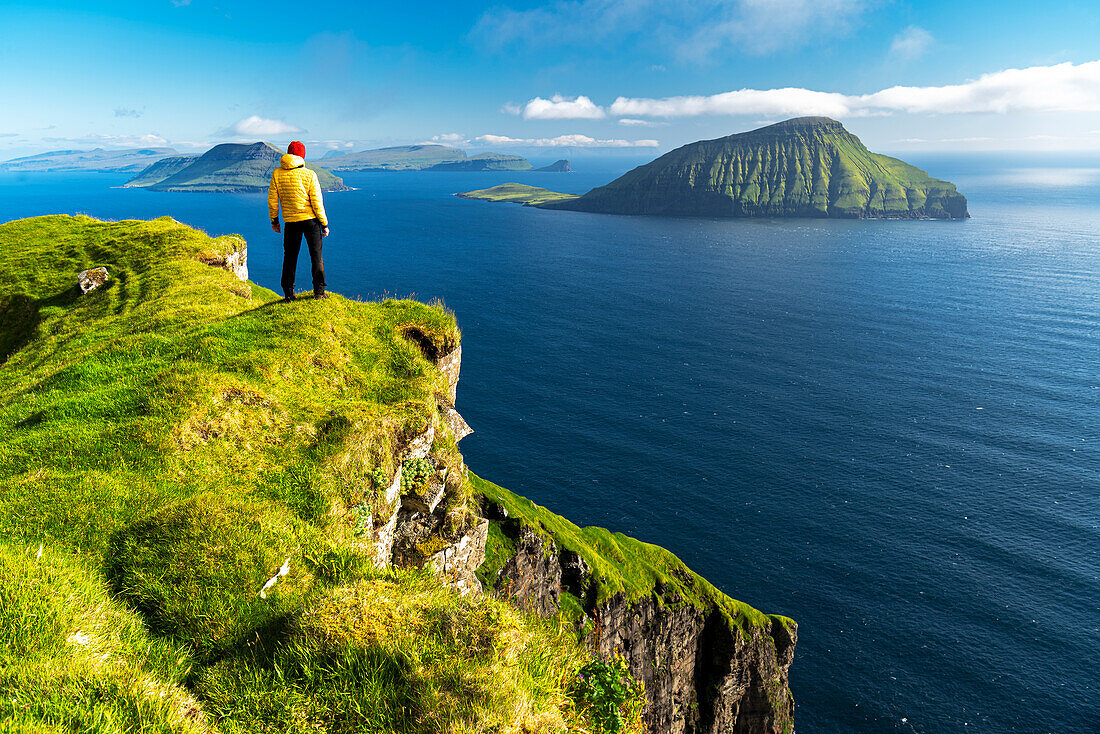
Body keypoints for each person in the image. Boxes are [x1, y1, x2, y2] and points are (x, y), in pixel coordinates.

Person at [268, 140, 330, 301]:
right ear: (302, 156)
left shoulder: (277, 173)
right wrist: (324, 223)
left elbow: (272, 200)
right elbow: (317, 202)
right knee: (316, 256)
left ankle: (289, 294)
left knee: (290, 257)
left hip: (290, 222)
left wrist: (274, 220)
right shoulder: (309, 174)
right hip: (310, 221)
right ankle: (319, 292)